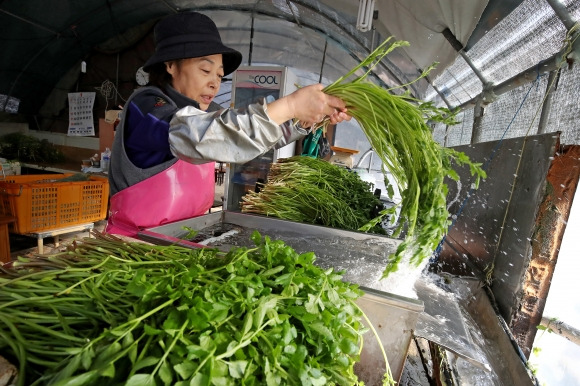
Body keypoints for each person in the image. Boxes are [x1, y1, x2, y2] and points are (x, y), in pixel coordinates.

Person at [105, 11, 350, 237]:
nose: (215, 83)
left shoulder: (207, 112)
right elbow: (199, 135)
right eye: (205, 70)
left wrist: (301, 120)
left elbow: (244, 140)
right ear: (170, 65)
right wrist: (290, 106)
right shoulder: (148, 106)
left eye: (220, 76)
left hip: (182, 240)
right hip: (134, 247)